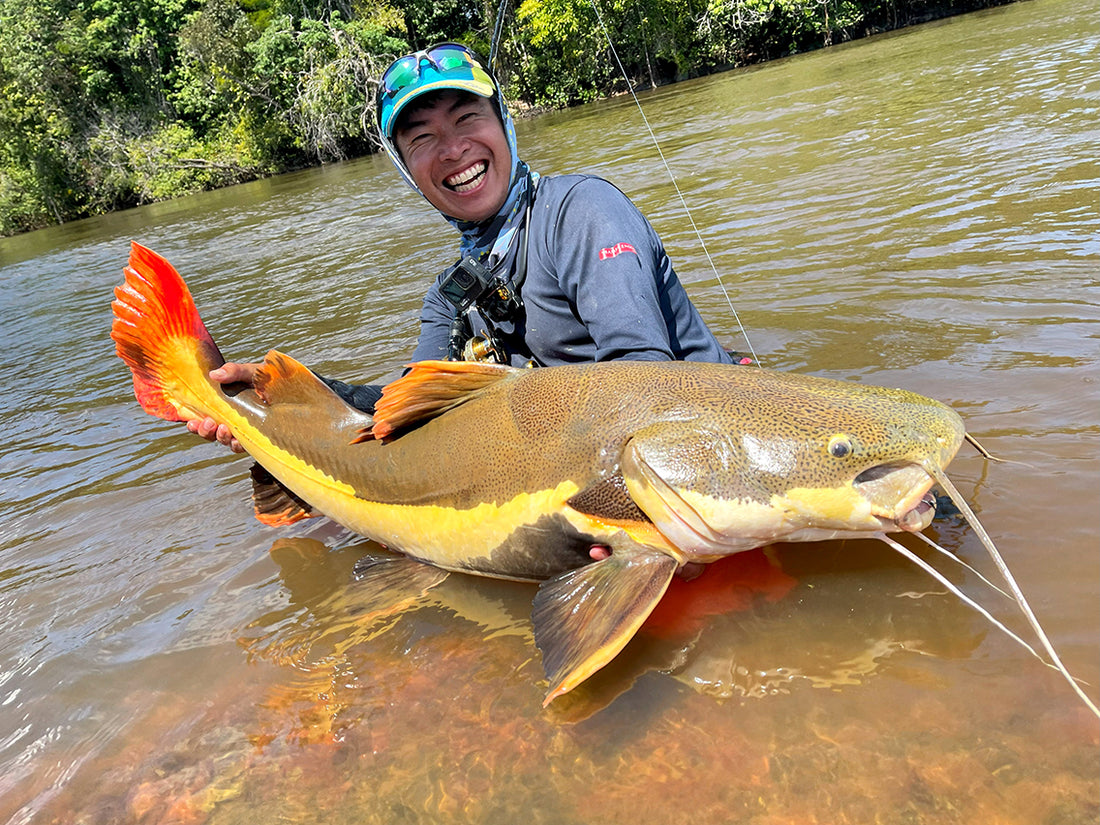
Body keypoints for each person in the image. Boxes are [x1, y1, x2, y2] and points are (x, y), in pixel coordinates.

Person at [188, 42, 734, 453]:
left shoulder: (582, 210)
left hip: (705, 446)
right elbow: (408, 412)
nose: (453, 150)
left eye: (468, 117)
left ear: (505, 127)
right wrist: (283, 400)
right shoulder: (449, 298)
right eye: (422, 138)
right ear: (407, 171)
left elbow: (642, 376)